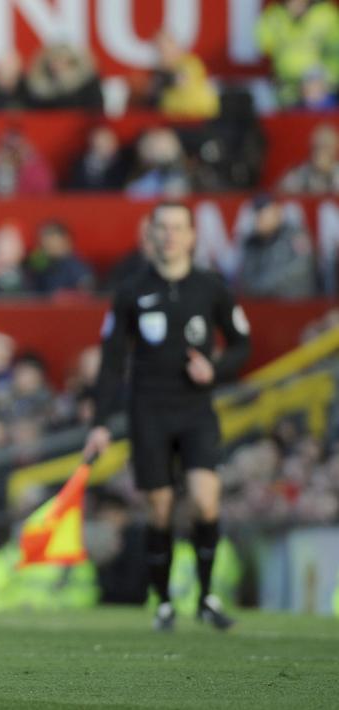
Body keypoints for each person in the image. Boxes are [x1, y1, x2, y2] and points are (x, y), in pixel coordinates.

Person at [83, 201, 251, 632]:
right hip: (149, 411)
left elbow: (241, 344)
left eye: (179, 227)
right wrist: (100, 422)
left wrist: (216, 369)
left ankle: (207, 597)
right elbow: (111, 360)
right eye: (163, 227)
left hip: (195, 409)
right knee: (159, 507)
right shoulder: (131, 290)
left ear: (192, 236)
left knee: (204, 498)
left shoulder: (211, 287)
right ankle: (162, 602)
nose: (171, 235)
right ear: (152, 234)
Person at [236, 194, 317, 299]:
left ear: (277, 212)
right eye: (256, 213)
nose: (258, 217)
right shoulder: (251, 242)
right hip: (262, 305)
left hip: (295, 304)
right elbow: (246, 278)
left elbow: (301, 269)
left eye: (263, 212)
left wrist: (263, 286)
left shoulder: (295, 235)